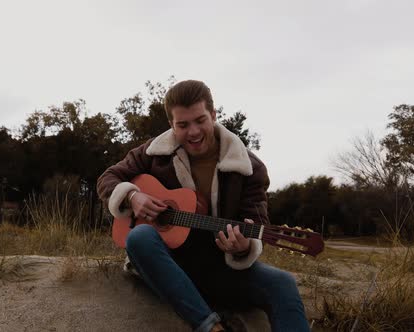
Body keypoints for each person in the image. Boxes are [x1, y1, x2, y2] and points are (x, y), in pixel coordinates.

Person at [96, 80, 309, 332]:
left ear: (214, 115)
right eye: (183, 125)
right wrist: (132, 197)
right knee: (140, 236)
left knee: (282, 282)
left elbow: (257, 221)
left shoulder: (249, 167)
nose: (194, 132)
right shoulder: (154, 153)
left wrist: (243, 247)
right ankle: (211, 327)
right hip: (169, 265)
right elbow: (107, 179)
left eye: (200, 120)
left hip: (220, 268)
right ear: (171, 125)